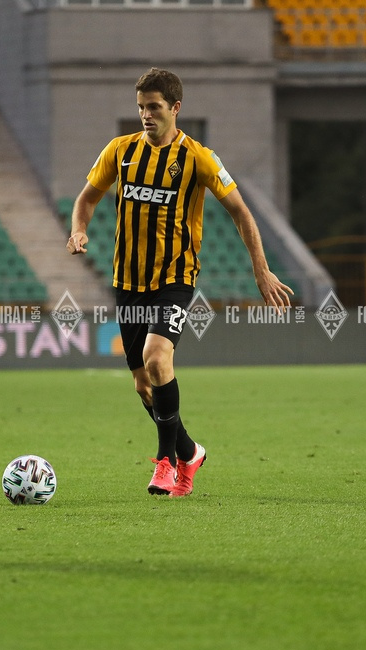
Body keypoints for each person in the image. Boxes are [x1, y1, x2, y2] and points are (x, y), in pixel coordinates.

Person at [67, 67, 293, 497]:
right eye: (141, 107)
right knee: (143, 384)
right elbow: (87, 199)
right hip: (127, 282)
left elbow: (241, 213)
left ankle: (166, 463)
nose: (146, 115)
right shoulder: (120, 151)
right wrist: (79, 230)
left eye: (154, 107)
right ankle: (189, 453)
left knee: (157, 359)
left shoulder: (198, 158)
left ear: (175, 107)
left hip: (174, 278)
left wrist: (261, 270)